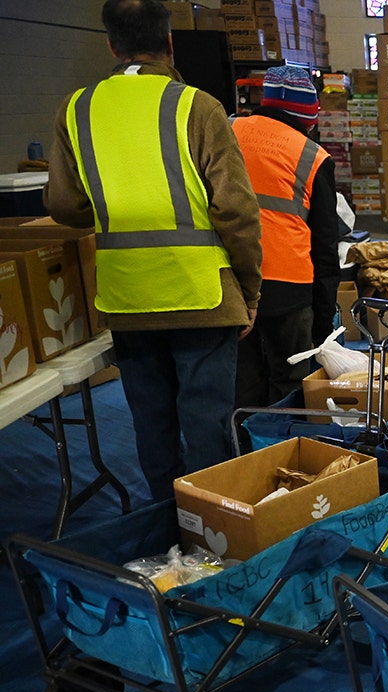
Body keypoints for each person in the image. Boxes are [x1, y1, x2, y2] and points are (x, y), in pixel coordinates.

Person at [45, 0, 262, 502]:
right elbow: (236, 212)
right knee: (207, 426)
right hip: (201, 295)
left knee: (152, 425)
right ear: (169, 42)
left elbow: (64, 205)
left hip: (128, 299)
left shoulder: (76, 108)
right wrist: (249, 290)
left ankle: (166, 530)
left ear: (110, 44)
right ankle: (213, 537)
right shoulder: (197, 106)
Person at [231, 65, 340, 409]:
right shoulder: (312, 156)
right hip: (289, 287)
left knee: (241, 378)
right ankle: (282, 447)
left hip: (229, 277)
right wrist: (323, 323)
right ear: (308, 115)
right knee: (290, 378)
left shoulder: (227, 129)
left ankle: (244, 452)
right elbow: (325, 248)